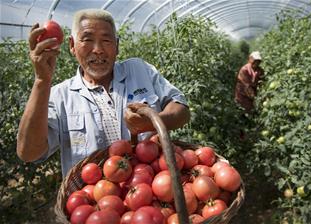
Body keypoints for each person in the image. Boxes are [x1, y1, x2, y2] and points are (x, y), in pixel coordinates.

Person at [16, 9, 190, 176]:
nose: (98, 49)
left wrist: (153, 122)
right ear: (72, 46)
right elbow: (28, 153)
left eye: (106, 41)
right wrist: (41, 81)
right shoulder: (60, 96)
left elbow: (182, 111)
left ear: (117, 45)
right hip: (92, 201)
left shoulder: (139, 71)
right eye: (87, 40)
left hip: (149, 191)